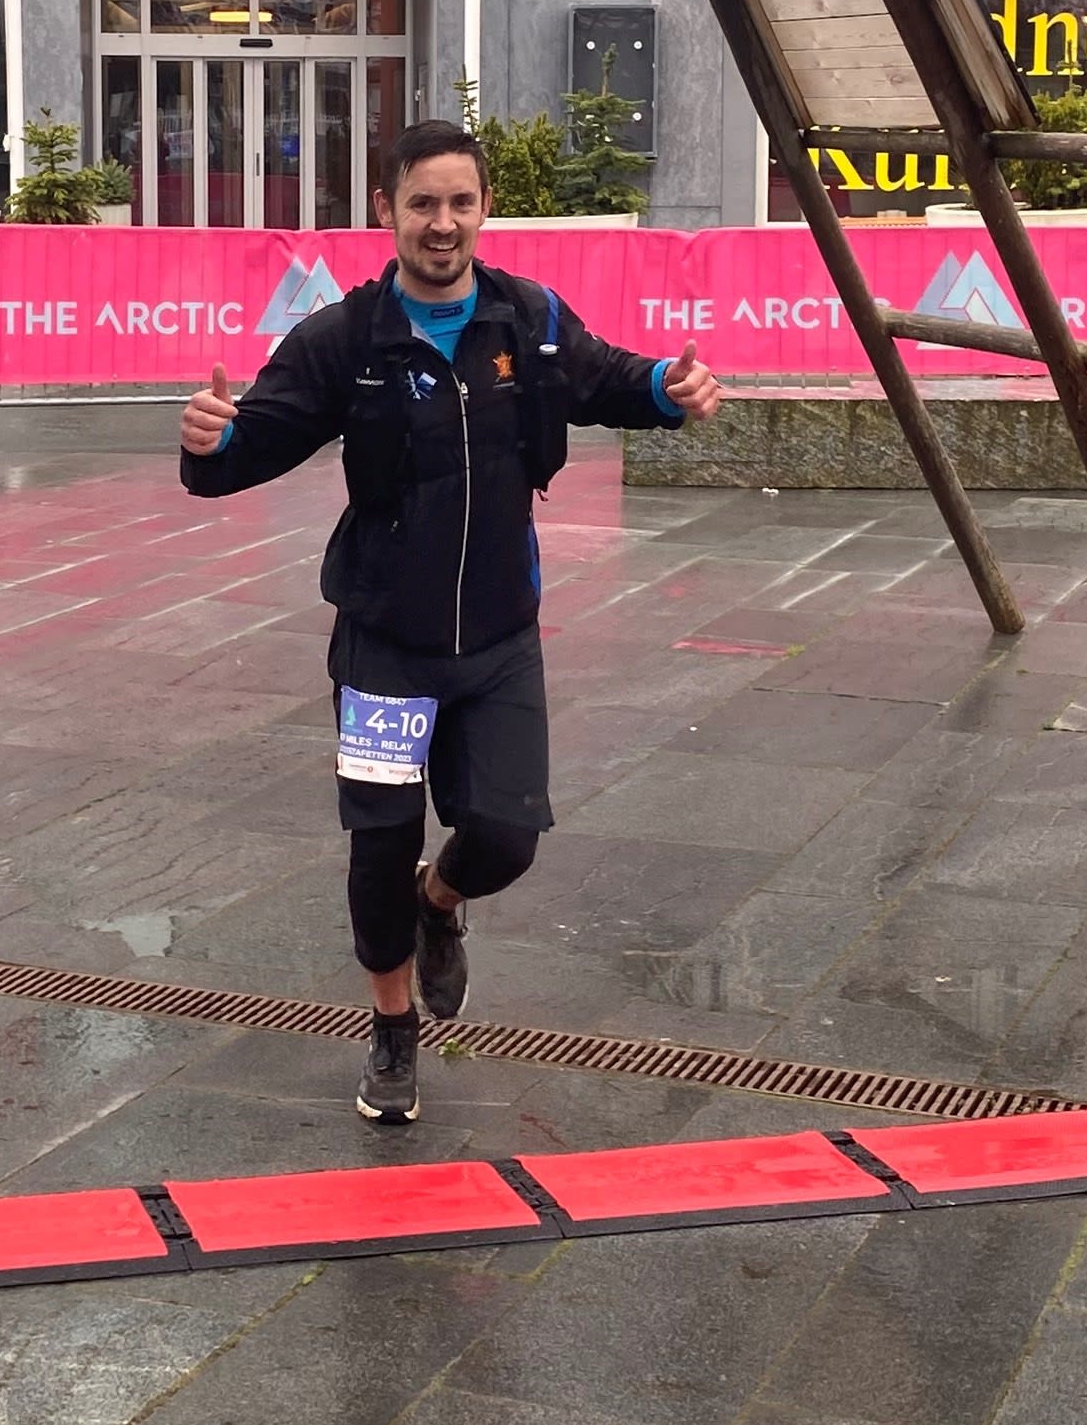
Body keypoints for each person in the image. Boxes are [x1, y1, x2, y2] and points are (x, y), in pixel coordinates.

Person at [178, 115, 721, 1127]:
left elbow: (608, 376)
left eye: (460, 202)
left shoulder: (528, 318)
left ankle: (442, 903)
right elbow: (251, 444)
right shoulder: (346, 339)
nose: (442, 223)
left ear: (484, 210)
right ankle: (392, 1028)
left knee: (507, 837)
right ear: (386, 210)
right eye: (422, 203)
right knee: (379, 846)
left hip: (500, 641)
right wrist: (212, 443)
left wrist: (667, 387)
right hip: (385, 645)